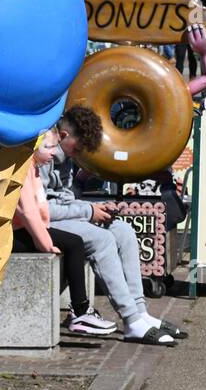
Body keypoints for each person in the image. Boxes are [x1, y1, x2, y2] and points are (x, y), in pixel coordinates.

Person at [40, 105, 186, 345]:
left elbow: (64, 198)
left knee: (123, 230)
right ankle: (130, 320)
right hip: (41, 223)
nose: (77, 155)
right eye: (77, 149)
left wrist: (96, 208)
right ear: (63, 136)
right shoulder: (45, 154)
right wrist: (88, 211)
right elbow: (42, 209)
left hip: (59, 216)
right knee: (102, 239)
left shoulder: (64, 156)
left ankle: (140, 311)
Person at [12, 134, 116, 336]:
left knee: (73, 243)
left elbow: (38, 210)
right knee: (74, 243)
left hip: (29, 229)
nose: (53, 152)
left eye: (54, 147)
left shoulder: (33, 169)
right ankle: (81, 312)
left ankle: (80, 311)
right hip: (15, 234)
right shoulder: (23, 170)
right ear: (34, 147)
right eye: (48, 147)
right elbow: (27, 211)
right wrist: (44, 242)